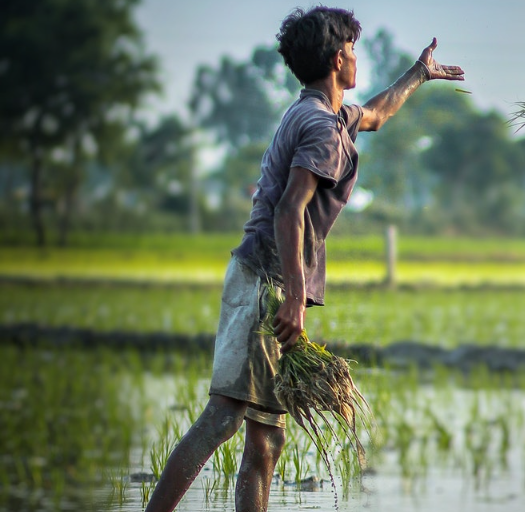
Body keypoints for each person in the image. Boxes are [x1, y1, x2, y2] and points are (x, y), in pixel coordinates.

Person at [145, 7, 463, 512]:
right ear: (339, 59)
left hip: (271, 282)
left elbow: (377, 113)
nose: (357, 59)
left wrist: (419, 73)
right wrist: (294, 297)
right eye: (354, 50)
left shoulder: (328, 115)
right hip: (264, 284)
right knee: (225, 416)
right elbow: (290, 210)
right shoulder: (318, 124)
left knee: (266, 441)